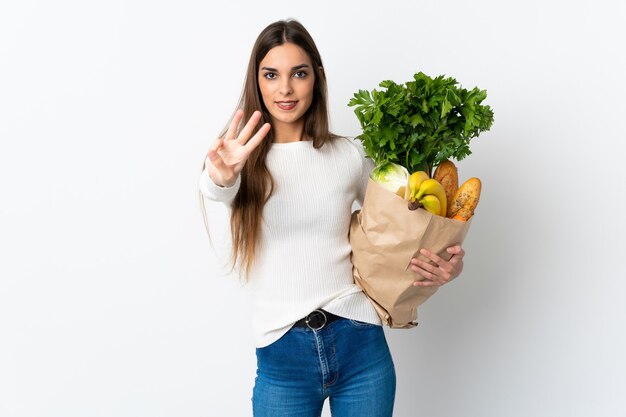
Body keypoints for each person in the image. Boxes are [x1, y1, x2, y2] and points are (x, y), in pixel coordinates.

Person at [198, 19, 466, 417]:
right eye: (271, 75)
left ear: (317, 79)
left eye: (298, 74)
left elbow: (402, 229)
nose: (285, 88)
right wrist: (219, 176)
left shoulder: (349, 155)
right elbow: (217, 188)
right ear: (257, 81)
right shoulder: (239, 161)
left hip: (359, 343)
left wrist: (447, 264)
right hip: (282, 355)